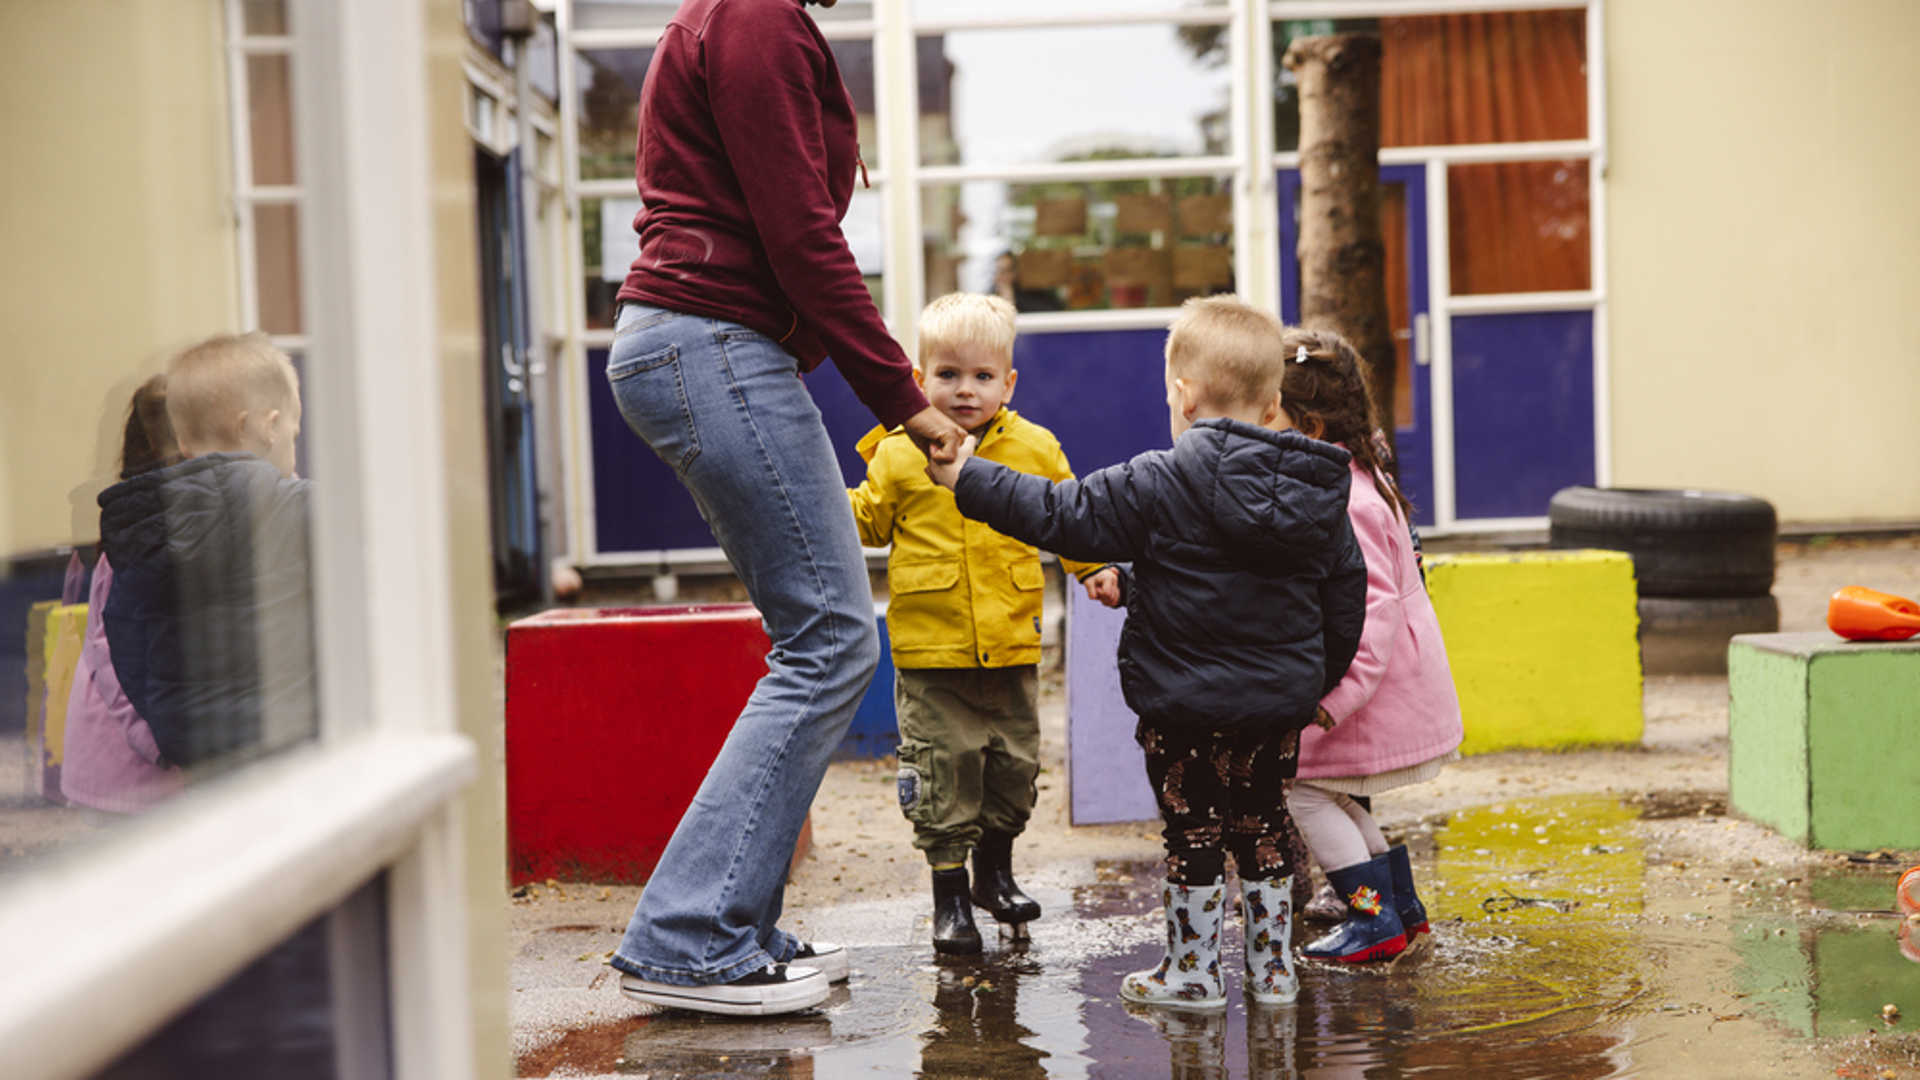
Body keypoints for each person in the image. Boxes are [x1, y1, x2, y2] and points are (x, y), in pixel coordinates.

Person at [603, 0, 968, 1017]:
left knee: (819, 637)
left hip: (706, 343)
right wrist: (907, 404)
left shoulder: (745, 17)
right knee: (830, 640)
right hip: (711, 342)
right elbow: (799, 234)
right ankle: (690, 935)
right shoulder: (756, 15)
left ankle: (729, 921)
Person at [926, 295, 1368, 1009]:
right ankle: (1273, 972)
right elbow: (1344, 594)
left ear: (1184, 397)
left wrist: (966, 476)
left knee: (1193, 829)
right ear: (1269, 406)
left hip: (1183, 706)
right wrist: (1313, 680)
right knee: (1260, 825)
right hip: (1274, 706)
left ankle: (1192, 973)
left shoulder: (1158, 480)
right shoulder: (1315, 493)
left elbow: (1060, 516)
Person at [847, 292, 1119, 955]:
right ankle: (950, 899)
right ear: (919, 379)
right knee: (944, 773)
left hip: (1012, 645)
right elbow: (868, 522)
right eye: (946, 375)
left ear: (1008, 382)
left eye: (981, 376)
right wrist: (820, 500)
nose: (964, 390)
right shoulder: (897, 452)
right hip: (930, 653)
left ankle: (994, 875)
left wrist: (1091, 568)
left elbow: (1066, 514)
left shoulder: (1034, 447)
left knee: (1012, 768)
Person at [1280, 328, 1464, 965]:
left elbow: (1374, 610)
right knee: (1329, 789)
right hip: (1388, 683)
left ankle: (1372, 922)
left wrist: (1339, 697)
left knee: (1302, 787)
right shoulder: (1363, 475)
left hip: (1370, 688)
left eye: (1269, 416)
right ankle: (1401, 913)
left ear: (1308, 423)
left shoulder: (1348, 498)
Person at [96, 333, 317, 778]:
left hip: (197, 751)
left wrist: (171, 721)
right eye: (293, 433)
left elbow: (124, 637)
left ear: (185, 441)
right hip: (296, 740)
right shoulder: (303, 511)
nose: (294, 448)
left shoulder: (149, 525)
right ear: (266, 427)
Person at [61, 375, 186, 812]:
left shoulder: (150, 519)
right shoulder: (137, 530)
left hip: (143, 754)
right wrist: (158, 744)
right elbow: (111, 649)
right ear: (162, 444)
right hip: (125, 761)